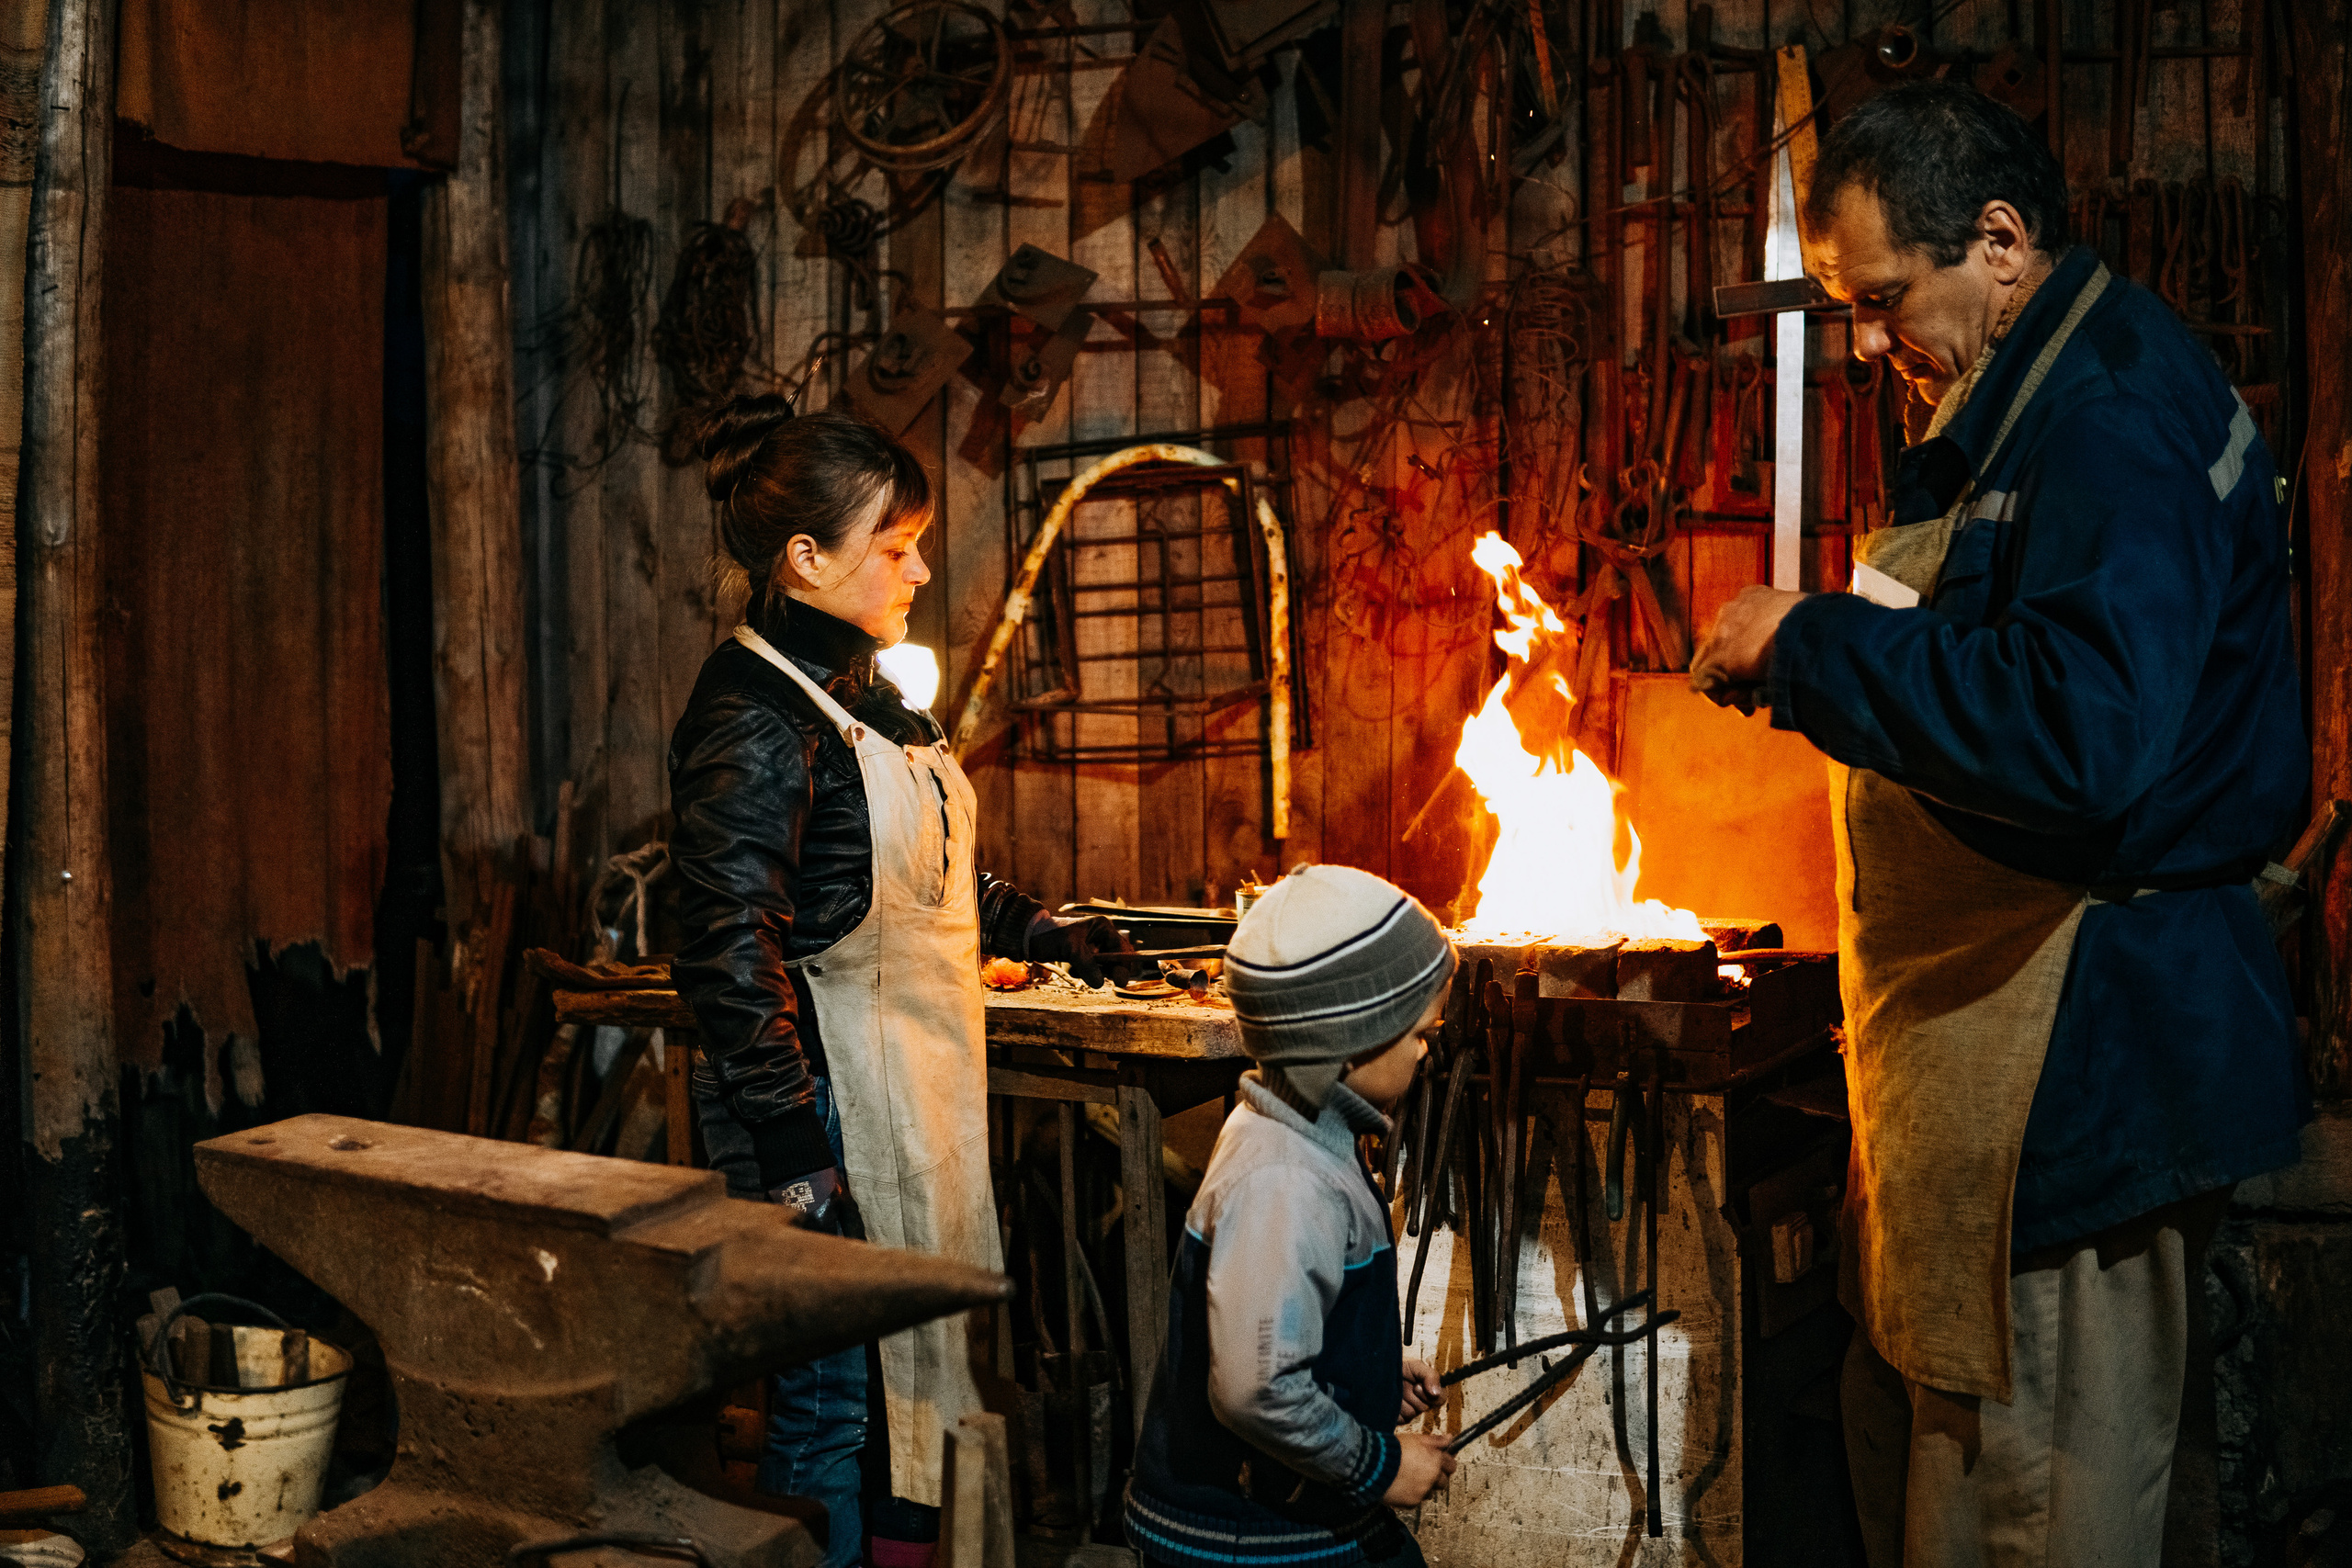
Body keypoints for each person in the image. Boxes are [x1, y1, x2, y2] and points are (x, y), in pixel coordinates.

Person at [1689, 81, 2308, 1566]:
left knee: (2037, 1524)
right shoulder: (2038, 389)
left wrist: (1812, 646)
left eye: (1885, 295)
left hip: (2082, 1073)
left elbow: (2080, 738)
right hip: (2021, 1068)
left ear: (2002, 241)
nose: (1871, 336)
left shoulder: (2105, 423)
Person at [668, 397, 1138, 1567]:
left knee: (909, 1398)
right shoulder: (756, 715)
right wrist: (789, 1144)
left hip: (909, 1087)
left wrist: (1047, 929)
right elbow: (726, 942)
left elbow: (929, 870)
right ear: (805, 558)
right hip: (820, 1103)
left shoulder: (868, 696)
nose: (921, 569)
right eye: (894, 546)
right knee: (834, 1403)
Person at [1124, 864, 1459, 1567]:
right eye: (1417, 1032)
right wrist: (1381, 1467)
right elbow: (1256, 1388)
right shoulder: (1284, 1177)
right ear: (1341, 1042)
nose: (1428, 1050)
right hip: (1244, 1537)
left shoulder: (1303, 1135)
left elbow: (1270, 1320)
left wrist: (1365, 1370)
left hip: (1279, 1513)